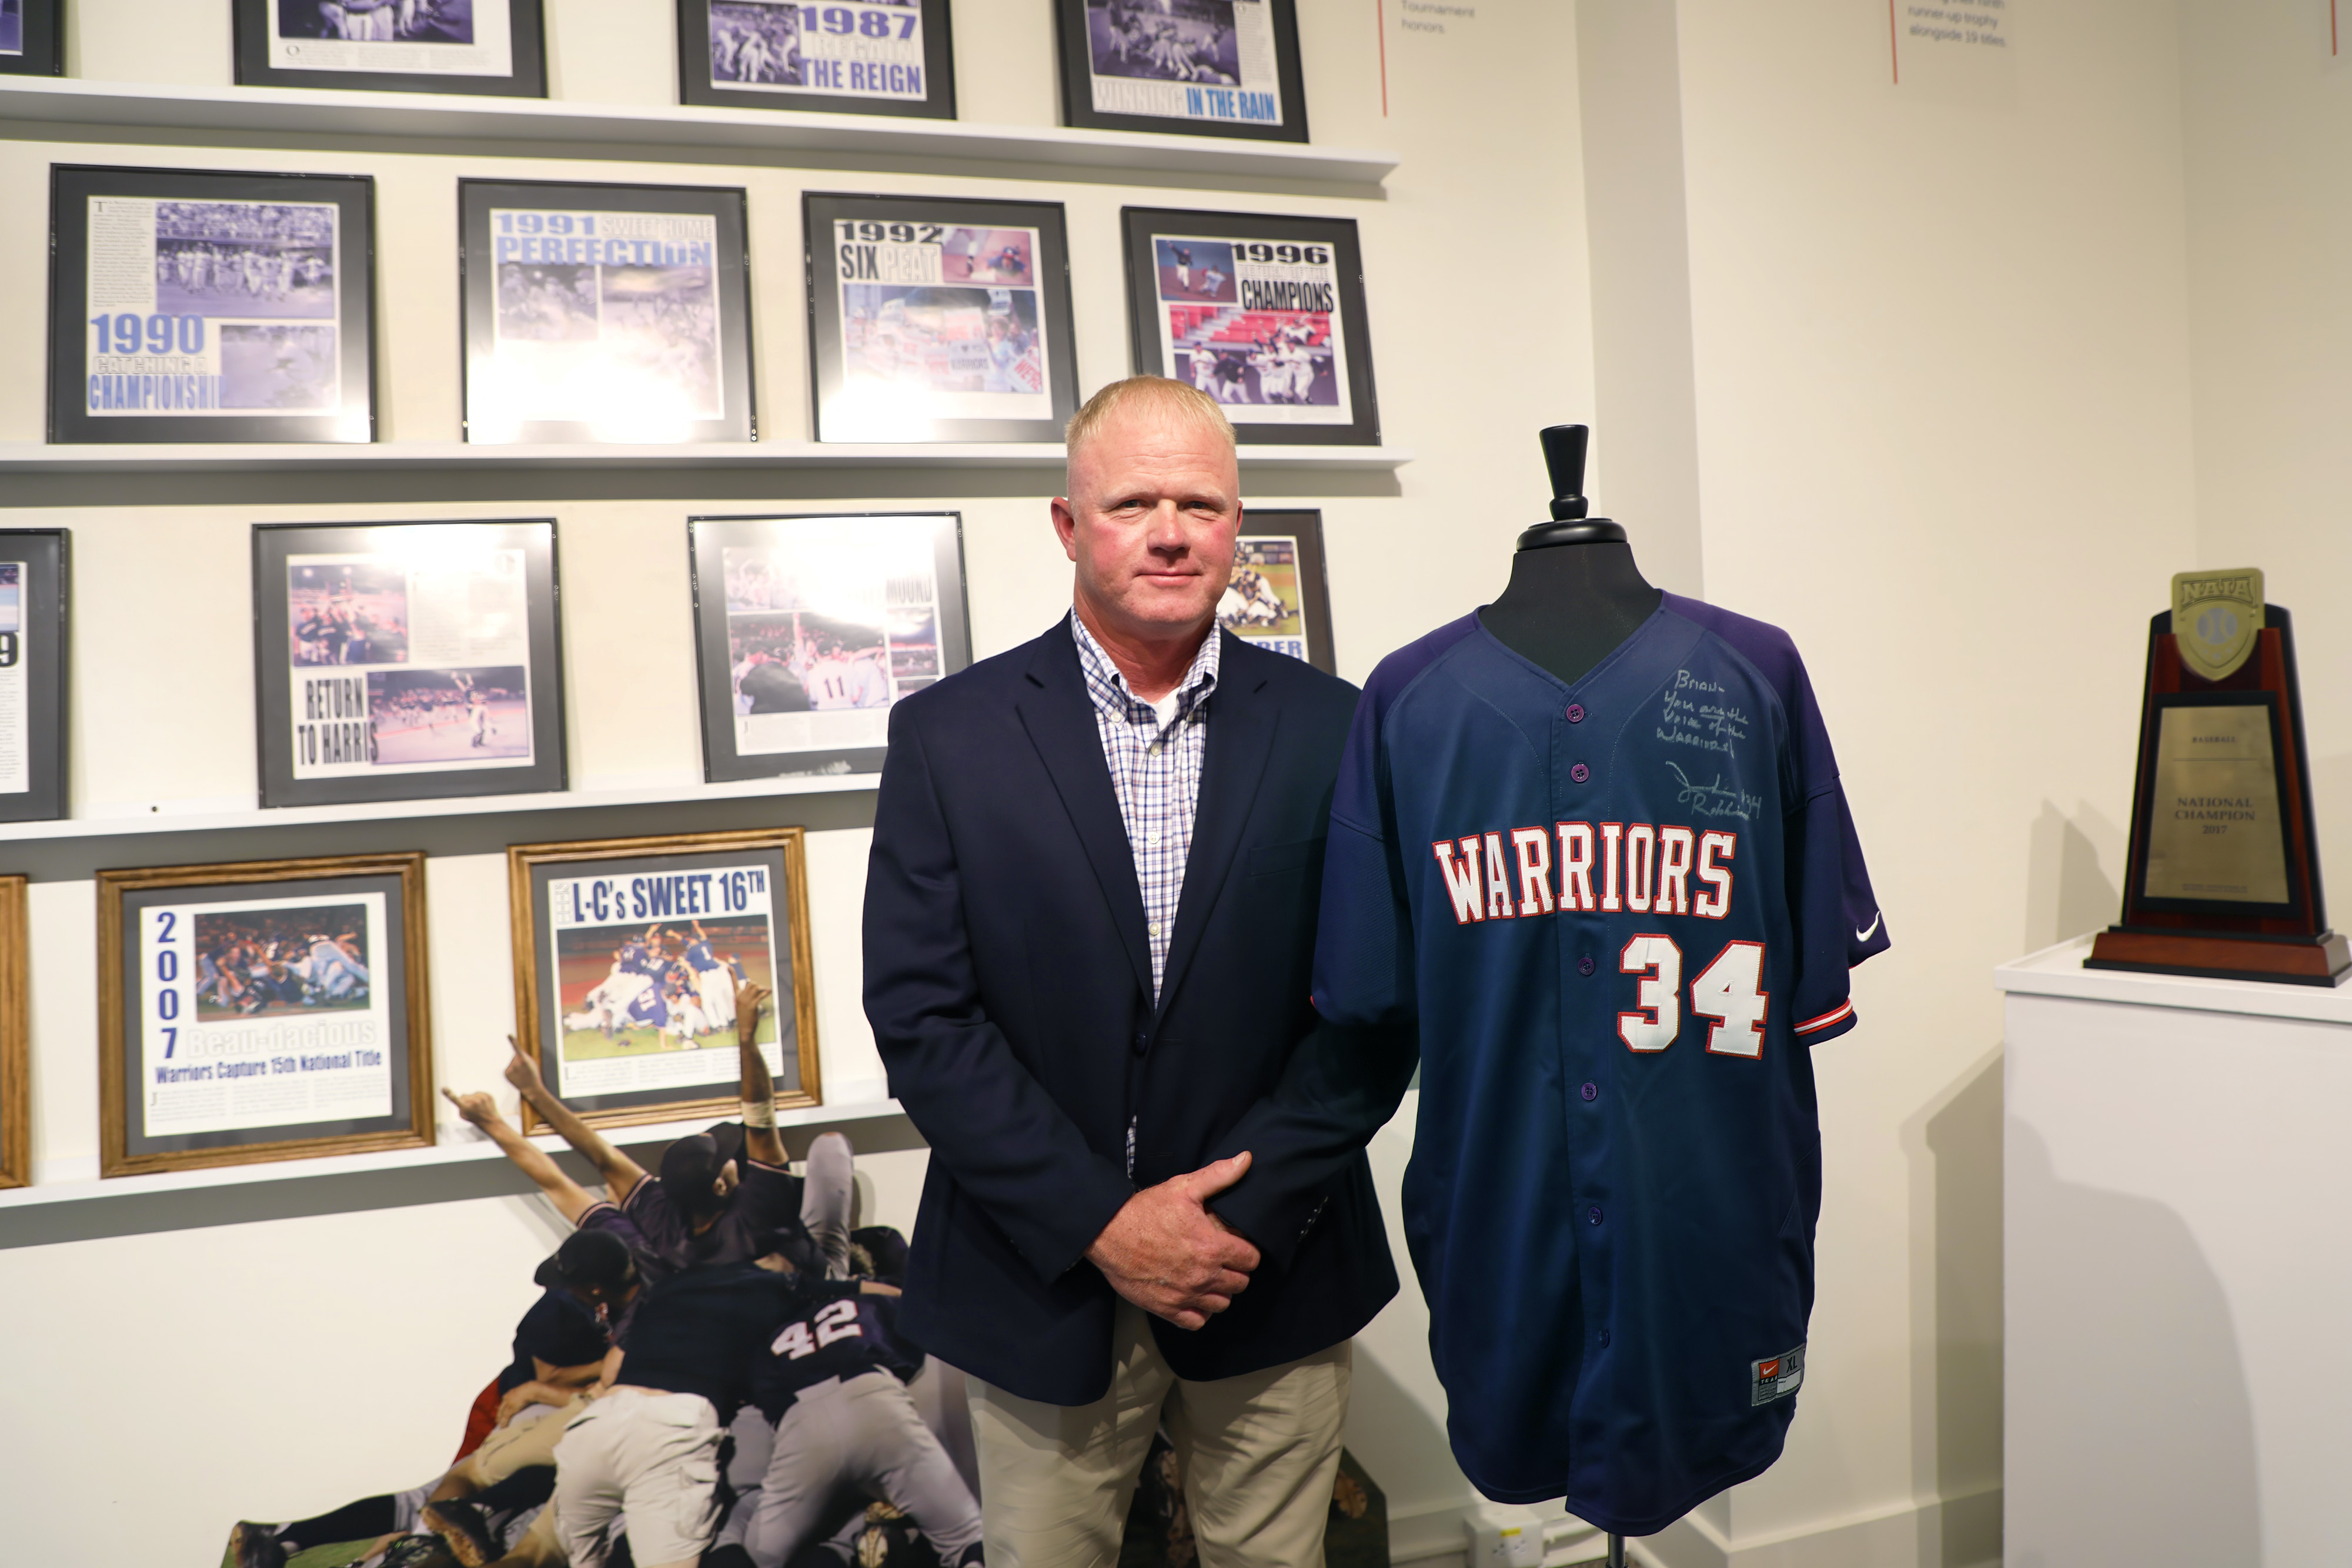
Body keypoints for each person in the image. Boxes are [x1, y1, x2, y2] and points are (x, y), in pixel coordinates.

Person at [862, 375, 1419, 1567]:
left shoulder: (1340, 727)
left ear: (1236, 525)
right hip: (1039, 1273)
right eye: (1131, 502)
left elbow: (1375, 1009)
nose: (1170, 530)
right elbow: (921, 1015)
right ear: (1069, 525)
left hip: (1268, 1265)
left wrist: (1232, 1217)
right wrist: (1103, 1221)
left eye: (1201, 504)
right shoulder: (947, 735)